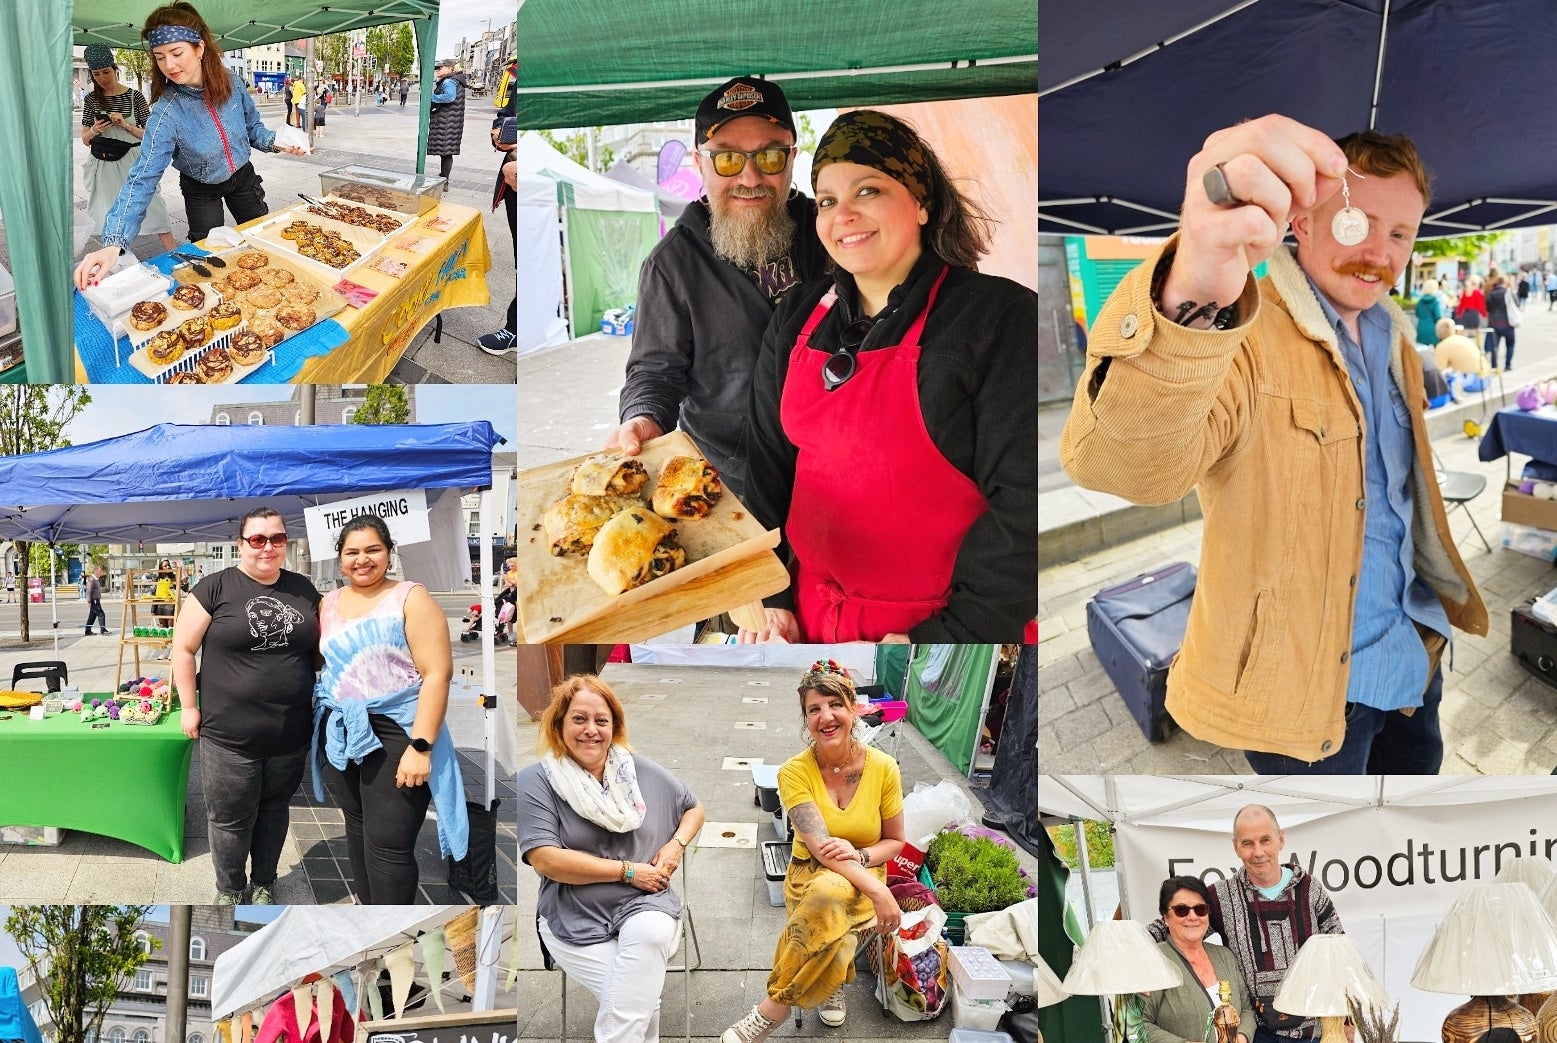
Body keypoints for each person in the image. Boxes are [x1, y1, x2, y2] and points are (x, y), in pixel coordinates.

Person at [1059, 115, 1488, 773]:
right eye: (1358, 222)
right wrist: (1194, 297)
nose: (1379, 251)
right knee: (1317, 871)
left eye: (1399, 232)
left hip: (1411, 657)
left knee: (1405, 844)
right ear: (1303, 223)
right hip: (1306, 698)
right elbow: (1124, 466)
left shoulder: (1396, 337)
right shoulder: (1241, 331)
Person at [743, 109, 1038, 643]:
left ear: (921, 203)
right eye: (828, 201)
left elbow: (1023, 505)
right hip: (807, 624)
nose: (843, 215)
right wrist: (773, 596)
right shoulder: (795, 317)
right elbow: (767, 467)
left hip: (943, 633)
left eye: (868, 191)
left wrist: (946, 638)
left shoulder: (997, 317)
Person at [606, 77, 830, 497]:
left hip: (833, 463)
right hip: (730, 479)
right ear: (699, 162)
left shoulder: (829, 233)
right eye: (727, 159)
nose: (750, 176)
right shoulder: (672, 263)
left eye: (770, 156)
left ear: (792, 158)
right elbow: (655, 371)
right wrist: (642, 417)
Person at [722, 661, 905, 1043]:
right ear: (805, 719)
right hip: (810, 872)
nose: (826, 716)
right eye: (813, 709)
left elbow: (895, 842)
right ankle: (829, 980)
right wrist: (881, 893)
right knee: (825, 895)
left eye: (834, 704)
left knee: (829, 899)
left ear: (853, 707)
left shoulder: (884, 768)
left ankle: (772, 1009)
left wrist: (861, 860)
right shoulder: (793, 772)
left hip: (865, 871)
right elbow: (822, 850)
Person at [517, 674, 705, 1043]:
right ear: (559, 725)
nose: (591, 730)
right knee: (642, 998)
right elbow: (546, 860)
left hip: (645, 903)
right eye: (579, 719)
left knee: (649, 943)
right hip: (573, 916)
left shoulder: (637, 770)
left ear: (614, 727)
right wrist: (628, 872)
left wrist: (676, 845)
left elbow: (694, 808)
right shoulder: (536, 780)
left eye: (601, 721)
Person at [73, 1, 309, 290]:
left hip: (243, 178)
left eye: (176, 53)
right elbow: (143, 176)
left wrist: (278, 141)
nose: (169, 65)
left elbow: (253, 130)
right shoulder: (166, 112)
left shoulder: (233, 84)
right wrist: (114, 243)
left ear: (199, 48)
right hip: (201, 189)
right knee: (208, 259)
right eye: (159, 57)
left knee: (262, 238)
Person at [311, 514, 468, 904]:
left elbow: (437, 675)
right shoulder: (327, 603)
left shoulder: (411, 597)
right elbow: (320, 662)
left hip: (398, 730)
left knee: (390, 845)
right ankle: (368, 913)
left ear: (389, 553)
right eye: (352, 552)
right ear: (340, 559)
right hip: (343, 729)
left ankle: (391, 930)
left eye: (372, 550)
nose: (362, 560)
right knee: (359, 828)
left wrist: (421, 747)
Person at [172, 507, 321, 904]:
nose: (267, 547)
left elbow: (323, 649)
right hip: (228, 735)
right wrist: (189, 706)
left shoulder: (304, 590)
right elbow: (183, 650)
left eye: (276, 539)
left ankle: (264, 882)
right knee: (229, 820)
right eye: (257, 539)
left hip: (289, 734)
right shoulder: (214, 588)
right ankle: (230, 889)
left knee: (274, 811)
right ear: (241, 544)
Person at [1149, 806, 1343, 1043]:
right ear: (1236, 847)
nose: (1258, 852)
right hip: (1257, 1033)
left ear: (1280, 840)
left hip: (1313, 1031)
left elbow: (1340, 952)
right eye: (1248, 843)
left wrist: (1347, 1021)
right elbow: (1175, 926)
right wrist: (1138, 965)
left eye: (1265, 840)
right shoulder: (1221, 896)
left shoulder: (1309, 889)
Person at [80, 45, 179, 256]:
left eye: (106, 72)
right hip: (103, 164)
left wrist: (125, 125)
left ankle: (177, 254)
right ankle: (120, 261)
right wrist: (95, 130)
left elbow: (149, 135)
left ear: (115, 69)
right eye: (96, 74)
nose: (102, 78)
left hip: (133, 161)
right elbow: (85, 140)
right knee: (108, 211)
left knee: (153, 206)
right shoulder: (90, 99)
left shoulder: (135, 97)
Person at [1141, 876, 1256, 1043]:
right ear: (1165, 917)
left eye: (1200, 909)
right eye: (1182, 910)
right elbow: (1136, 1024)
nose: (1193, 916)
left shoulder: (1225, 956)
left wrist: (1242, 1036)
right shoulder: (1155, 961)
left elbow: (1246, 1009)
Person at [477, 59, 518, 356]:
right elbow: (505, 115)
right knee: (527, 262)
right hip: (516, 180)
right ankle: (518, 329)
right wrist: (500, 135)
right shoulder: (520, 76)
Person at [428, 58, 466, 181]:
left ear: (450, 68)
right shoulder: (456, 80)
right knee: (446, 152)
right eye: (437, 68)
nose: (437, 70)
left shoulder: (449, 81)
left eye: (440, 67)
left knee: (445, 152)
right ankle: (444, 176)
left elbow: (450, 97)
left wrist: (431, 97)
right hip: (452, 121)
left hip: (446, 122)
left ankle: (444, 180)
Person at [1435, 317, 1488, 402]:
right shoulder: (1463, 339)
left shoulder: (1442, 346)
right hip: (1485, 378)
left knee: (1447, 375)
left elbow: (1439, 371)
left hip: (1472, 383)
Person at [1485, 273, 1518, 371]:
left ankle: (1494, 366)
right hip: (1507, 322)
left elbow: (1488, 307)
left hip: (1494, 323)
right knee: (1510, 344)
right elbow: (1517, 303)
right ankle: (1507, 365)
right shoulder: (1508, 292)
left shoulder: (1490, 294)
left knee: (1495, 346)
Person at [1414, 278, 1443, 348]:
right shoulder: (1435, 301)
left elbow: (1417, 313)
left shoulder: (1420, 302)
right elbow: (1438, 316)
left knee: (1423, 353)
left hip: (1421, 328)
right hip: (1433, 329)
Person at [83, 566, 110, 636]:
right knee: (101, 614)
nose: (101, 573)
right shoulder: (91, 579)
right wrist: (88, 601)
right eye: (100, 571)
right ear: (96, 572)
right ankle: (103, 630)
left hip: (96, 600)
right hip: (94, 600)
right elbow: (88, 591)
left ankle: (87, 631)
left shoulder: (96, 579)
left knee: (92, 616)